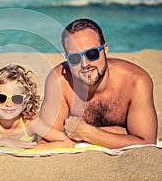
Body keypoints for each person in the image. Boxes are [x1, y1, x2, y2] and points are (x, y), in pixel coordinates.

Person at [39, 18, 158, 149]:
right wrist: (120, 132)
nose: (84, 64)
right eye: (74, 58)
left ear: (105, 50)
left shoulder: (135, 81)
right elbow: (45, 142)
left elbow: (147, 144)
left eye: (92, 54)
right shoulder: (59, 81)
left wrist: (87, 133)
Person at [0, 65, 67, 151]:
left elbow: (65, 141)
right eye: (1, 98)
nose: (8, 104)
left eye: (16, 99)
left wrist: (31, 148)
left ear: (26, 100)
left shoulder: (29, 121)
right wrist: (3, 142)